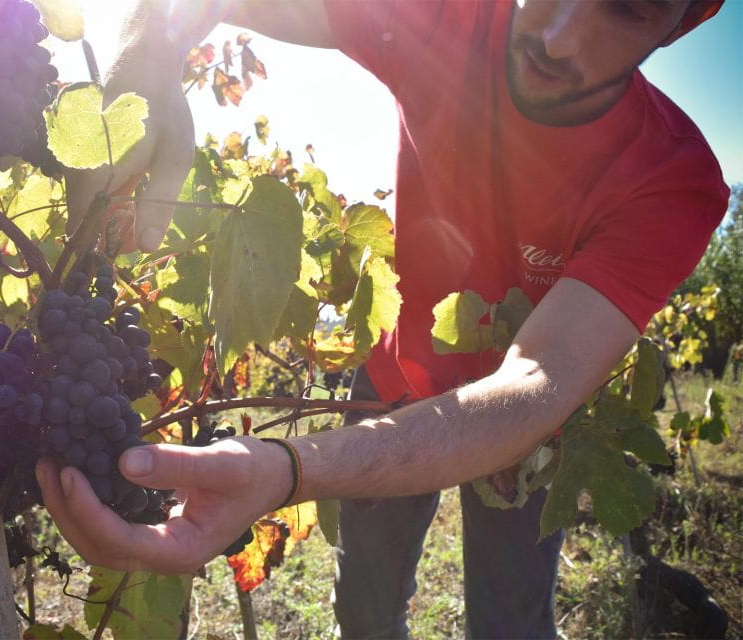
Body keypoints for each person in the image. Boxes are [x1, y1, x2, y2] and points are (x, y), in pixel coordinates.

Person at [38, 1, 730, 637]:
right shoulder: (443, 18)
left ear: (679, 25)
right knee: (365, 611)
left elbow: (537, 379)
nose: (556, 36)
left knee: (510, 624)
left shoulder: (671, 178)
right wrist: (148, 45)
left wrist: (285, 468)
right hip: (388, 386)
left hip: (525, 440)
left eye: (629, 8)